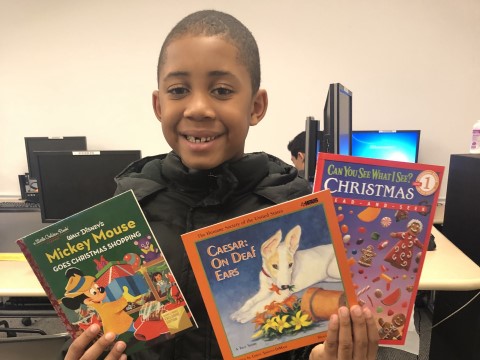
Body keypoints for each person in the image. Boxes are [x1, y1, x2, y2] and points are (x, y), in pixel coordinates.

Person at [63, 10, 378, 360]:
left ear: (256, 106)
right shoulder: (129, 210)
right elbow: (100, 328)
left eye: (222, 90)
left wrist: (321, 356)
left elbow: (300, 336)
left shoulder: (295, 206)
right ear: (158, 104)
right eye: (178, 90)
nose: (198, 108)